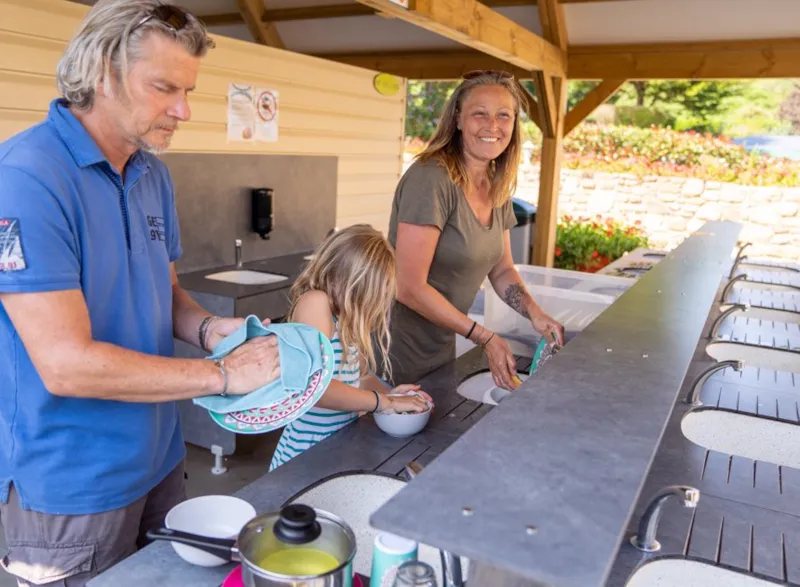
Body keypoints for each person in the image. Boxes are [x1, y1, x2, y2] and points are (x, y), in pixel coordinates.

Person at [0, 1, 281, 585]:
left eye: (189, 90)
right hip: (74, 484)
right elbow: (66, 366)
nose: (183, 110)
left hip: (160, 458)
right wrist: (224, 376)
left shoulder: (151, 172)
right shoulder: (26, 178)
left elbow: (165, 289)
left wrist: (209, 331)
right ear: (102, 72)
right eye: (163, 88)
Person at [386, 70, 565, 392]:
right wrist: (485, 337)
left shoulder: (495, 183)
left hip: (441, 340)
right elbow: (407, 287)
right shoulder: (431, 179)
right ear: (457, 119)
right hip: (394, 346)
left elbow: (502, 269)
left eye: (503, 115)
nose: (492, 126)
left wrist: (536, 315)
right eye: (479, 114)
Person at [269, 225, 430, 471]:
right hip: (303, 456)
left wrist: (392, 395)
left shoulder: (347, 320)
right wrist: (384, 403)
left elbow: (361, 379)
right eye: (368, 293)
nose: (372, 304)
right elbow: (316, 390)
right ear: (345, 279)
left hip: (337, 451)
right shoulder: (315, 303)